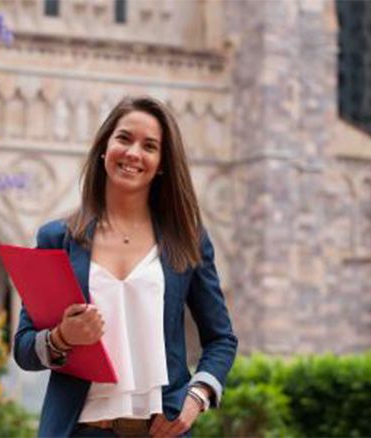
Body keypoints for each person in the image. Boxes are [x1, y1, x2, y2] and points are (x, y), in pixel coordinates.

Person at [13, 96, 238, 437]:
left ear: (161, 163)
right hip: (80, 430)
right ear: (104, 147)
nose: (133, 153)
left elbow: (221, 339)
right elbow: (24, 349)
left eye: (149, 146)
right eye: (124, 138)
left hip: (162, 431)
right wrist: (61, 338)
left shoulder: (186, 240)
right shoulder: (57, 239)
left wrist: (197, 396)